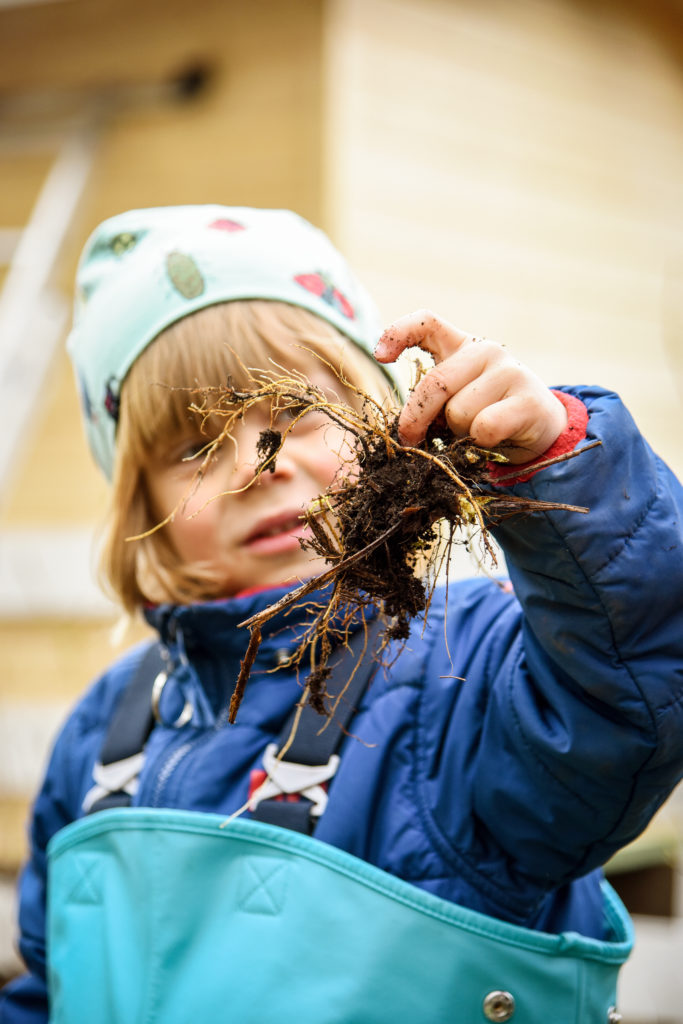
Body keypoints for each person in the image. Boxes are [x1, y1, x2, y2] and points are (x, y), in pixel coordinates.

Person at [1, 204, 682, 1024]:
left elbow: (635, 682)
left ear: (385, 422)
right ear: (137, 500)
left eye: (294, 413)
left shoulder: (468, 673)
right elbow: (51, 988)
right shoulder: (102, 735)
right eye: (192, 446)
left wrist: (556, 466)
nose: (263, 465)